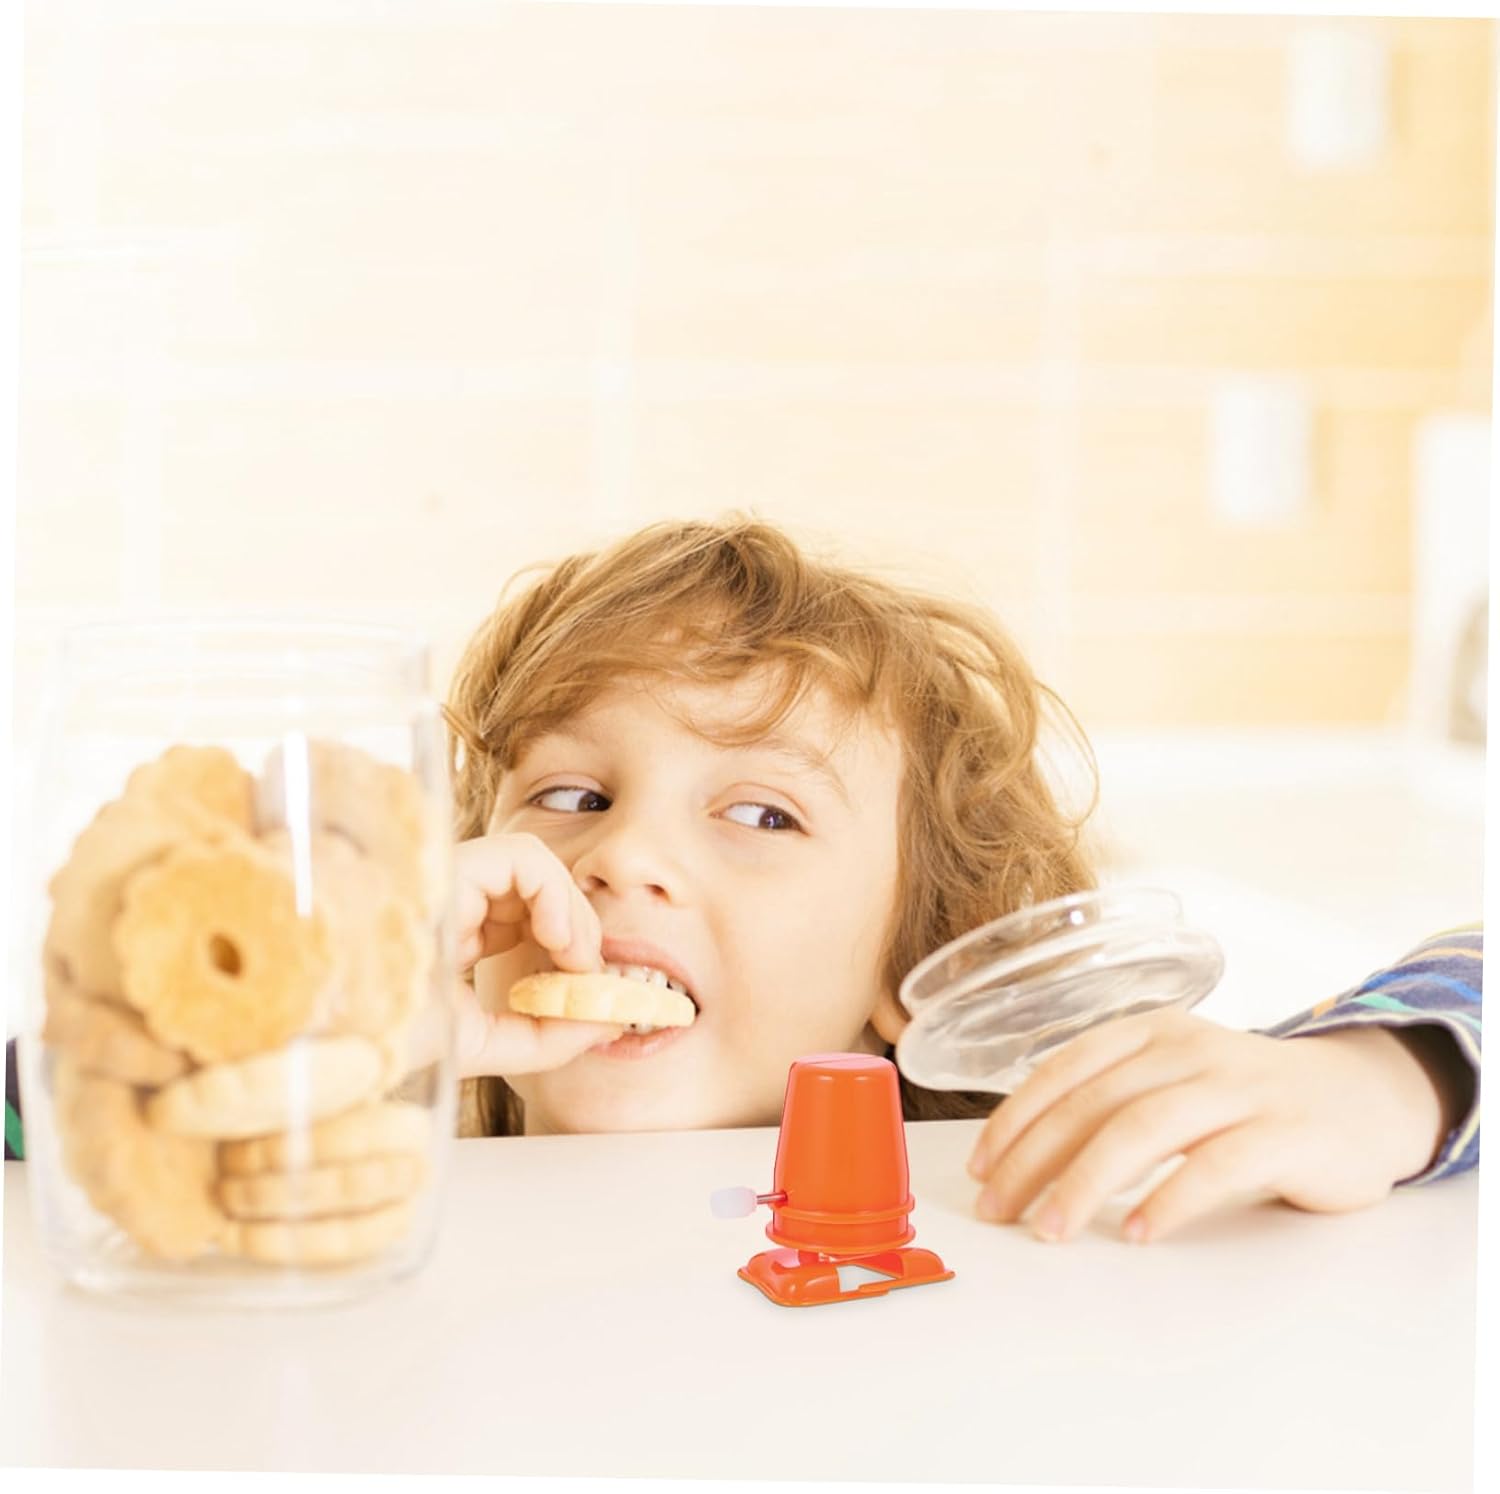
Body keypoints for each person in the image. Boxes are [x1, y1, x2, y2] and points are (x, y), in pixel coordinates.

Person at [4, 518, 1481, 1247]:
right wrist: (315, 1034)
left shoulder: (1051, 1168)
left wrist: (1386, 1077)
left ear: (916, 965)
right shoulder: (335, 1132)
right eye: (570, 795)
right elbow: (51, 1118)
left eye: (762, 813)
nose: (621, 855)